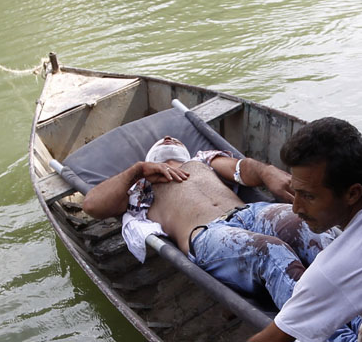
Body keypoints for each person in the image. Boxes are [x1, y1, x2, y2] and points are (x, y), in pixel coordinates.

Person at [81, 135, 357, 339]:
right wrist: (138, 170)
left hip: (250, 212)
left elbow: (243, 169)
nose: (166, 137)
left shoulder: (202, 160)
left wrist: (265, 171)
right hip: (208, 234)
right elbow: (92, 205)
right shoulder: (139, 189)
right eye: (160, 142)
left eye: (171, 137)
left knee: (306, 229)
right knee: (270, 252)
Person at [248, 118, 362, 342]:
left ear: (352, 194)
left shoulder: (335, 269)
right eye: (295, 192)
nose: (296, 207)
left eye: (309, 196)